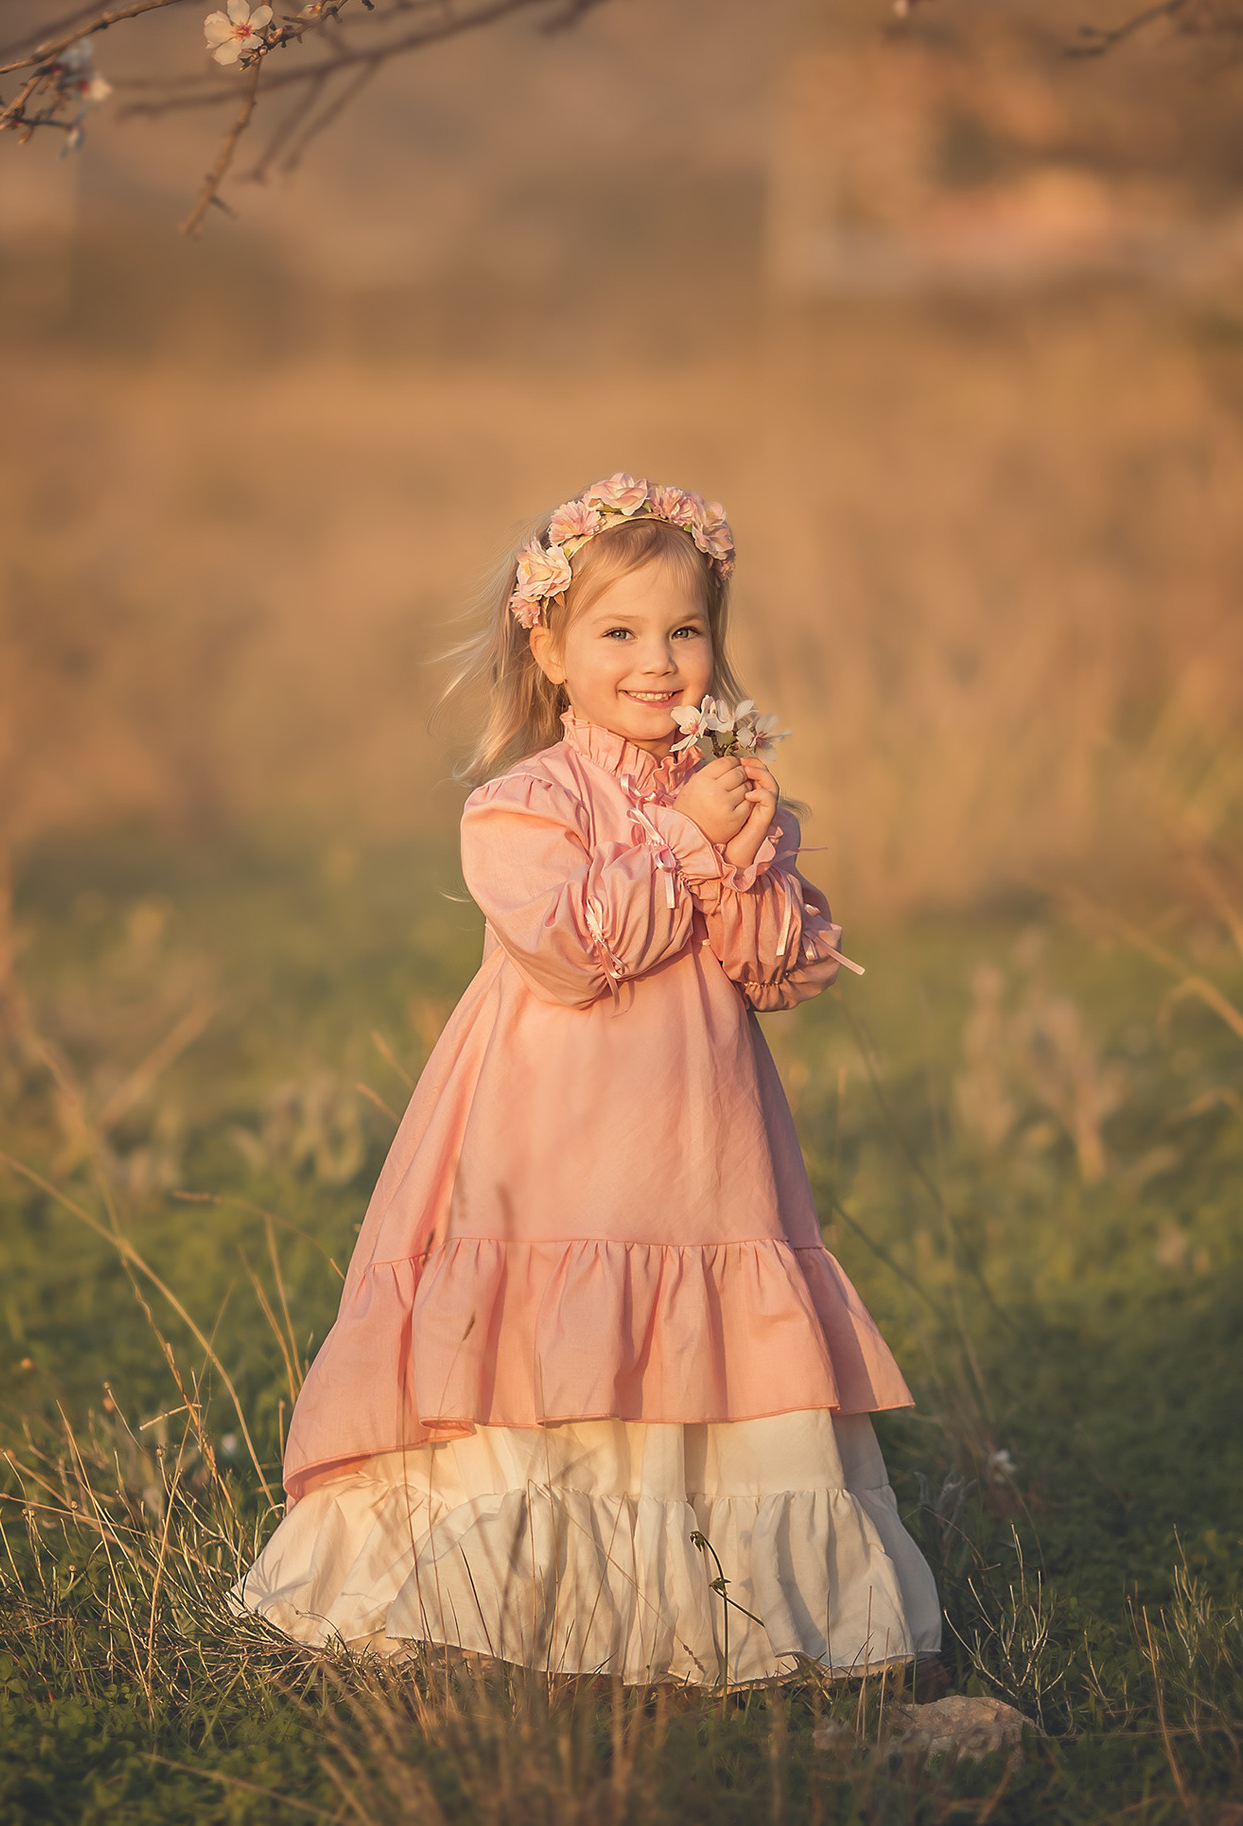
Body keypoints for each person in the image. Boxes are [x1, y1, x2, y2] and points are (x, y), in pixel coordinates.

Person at [230, 474, 939, 1687]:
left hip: (700, 1142)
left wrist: (747, 849)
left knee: (697, 1335)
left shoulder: (723, 786)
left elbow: (768, 966)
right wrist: (679, 840)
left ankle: (715, 1614)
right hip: (553, 1128)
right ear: (550, 648)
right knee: (556, 1327)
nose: (657, 661)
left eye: (685, 630)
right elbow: (570, 945)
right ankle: (521, 1608)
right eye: (618, 633)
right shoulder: (520, 804)